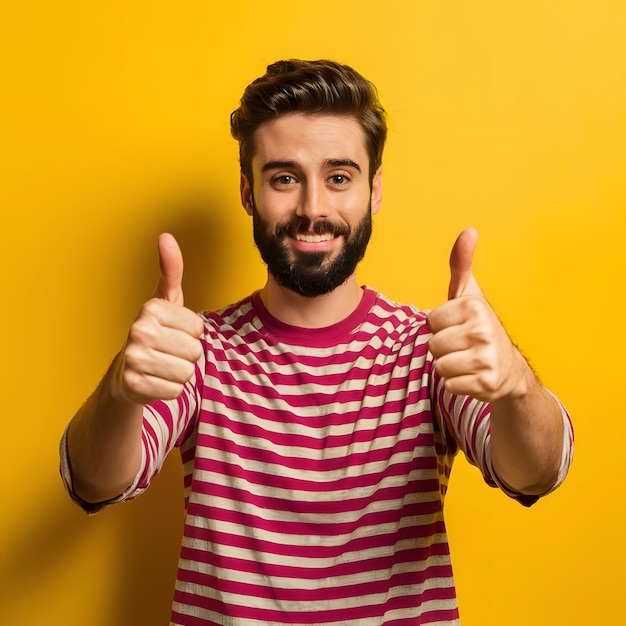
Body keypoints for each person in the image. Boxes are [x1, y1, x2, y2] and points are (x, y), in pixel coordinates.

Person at [60, 59, 574, 625]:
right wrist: (123, 389)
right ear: (247, 192)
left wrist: (514, 386)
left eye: (338, 177)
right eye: (284, 177)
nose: (312, 208)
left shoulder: (429, 348)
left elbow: (539, 471)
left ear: (373, 190)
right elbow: (94, 481)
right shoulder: (194, 351)